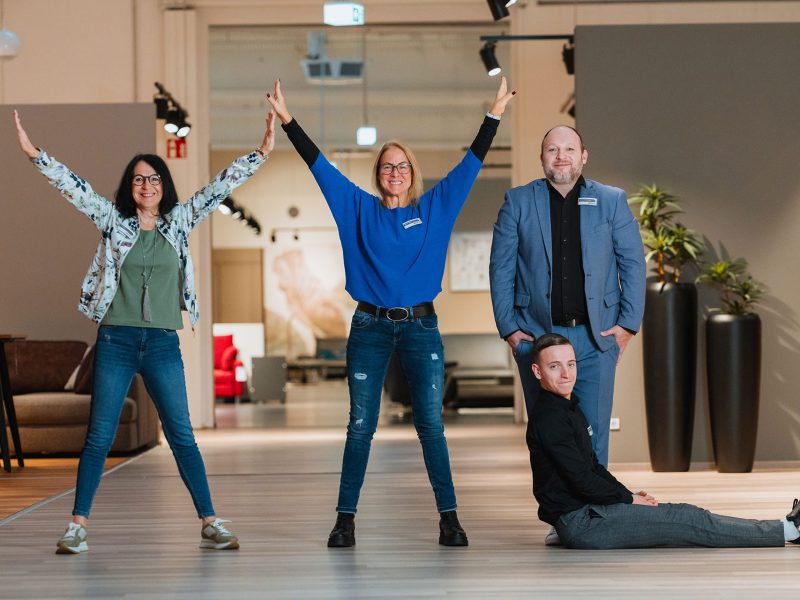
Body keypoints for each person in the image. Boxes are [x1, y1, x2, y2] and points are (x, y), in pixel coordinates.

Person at [13, 106, 276, 554]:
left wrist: (262, 151)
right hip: (116, 341)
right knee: (99, 435)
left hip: (161, 344)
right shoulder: (114, 223)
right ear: (129, 187)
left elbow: (220, 187)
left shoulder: (180, 223)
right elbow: (74, 188)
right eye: (138, 179)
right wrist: (35, 153)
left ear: (164, 186)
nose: (147, 185)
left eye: (153, 179)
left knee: (181, 436)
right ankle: (77, 526)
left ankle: (210, 520)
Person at [266, 77, 515, 548]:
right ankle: (345, 519)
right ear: (378, 173)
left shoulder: (436, 207)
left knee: (431, 424)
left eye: (401, 166)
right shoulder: (357, 208)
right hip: (369, 327)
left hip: (421, 326)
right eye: (386, 166)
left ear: (412, 172)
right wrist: (287, 118)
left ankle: (449, 519)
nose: (394, 172)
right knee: (361, 424)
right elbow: (318, 165)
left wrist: (495, 111)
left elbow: (471, 164)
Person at [527, 333, 800, 549]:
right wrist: (627, 499)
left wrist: (628, 495)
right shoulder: (550, 419)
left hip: (589, 512)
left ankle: (785, 528)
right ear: (538, 372)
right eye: (555, 366)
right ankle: (789, 530)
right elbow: (581, 479)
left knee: (687, 516)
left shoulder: (569, 407)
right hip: (583, 523)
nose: (566, 374)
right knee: (688, 518)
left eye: (571, 364)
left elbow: (593, 468)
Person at [489, 125, 646, 469]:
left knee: (593, 435)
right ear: (542, 158)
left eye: (569, 149)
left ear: (583, 156)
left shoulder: (611, 201)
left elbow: (633, 264)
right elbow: (500, 269)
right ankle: (560, 521)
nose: (561, 157)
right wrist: (511, 331)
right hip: (537, 337)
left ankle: (596, 519)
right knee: (548, 437)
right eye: (552, 150)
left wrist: (627, 326)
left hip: (596, 337)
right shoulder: (518, 201)